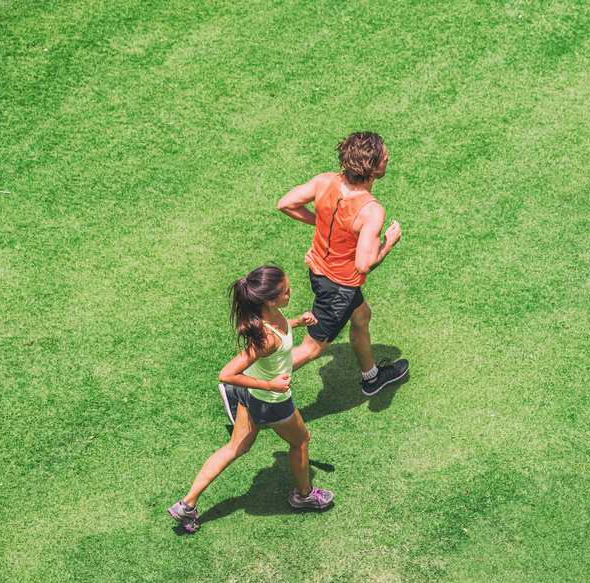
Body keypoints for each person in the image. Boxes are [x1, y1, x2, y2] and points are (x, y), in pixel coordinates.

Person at [168, 265, 333, 533]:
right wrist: (271, 384)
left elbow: (280, 329)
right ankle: (303, 496)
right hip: (271, 401)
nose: (290, 293)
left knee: (237, 447)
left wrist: (298, 323)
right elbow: (227, 374)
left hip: (252, 398)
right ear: (270, 300)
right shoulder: (265, 339)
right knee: (301, 440)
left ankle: (186, 505)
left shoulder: (270, 316)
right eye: (286, 291)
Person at [277, 131, 409, 396]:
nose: (388, 158)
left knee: (362, 316)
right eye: (384, 157)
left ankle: (371, 378)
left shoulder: (325, 181)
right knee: (312, 349)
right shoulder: (371, 211)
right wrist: (388, 243)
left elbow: (286, 204)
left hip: (317, 270)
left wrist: (321, 220)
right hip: (339, 287)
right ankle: (244, 387)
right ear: (372, 168)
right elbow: (364, 265)